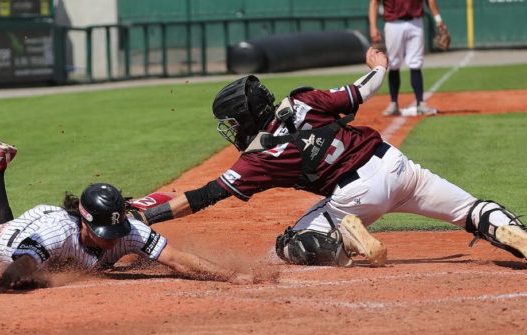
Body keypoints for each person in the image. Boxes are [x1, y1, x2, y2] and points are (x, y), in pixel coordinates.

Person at [129, 47, 527, 267]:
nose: (231, 130)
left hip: (356, 197)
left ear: (246, 118)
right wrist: (380, 64)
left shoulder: (257, 158)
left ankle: (347, 240)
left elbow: (204, 196)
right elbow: (362, 91)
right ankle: (511, 231)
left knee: (290, 244)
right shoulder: (302, 100)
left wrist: (148, 217)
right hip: (399, 166)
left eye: (232, 122)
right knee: (472, 209)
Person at [0, 141, 252, 289]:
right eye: (106, 234)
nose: (113, 239)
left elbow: (176, 259)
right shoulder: (56, 233)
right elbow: (18, 267)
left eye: (117, 230)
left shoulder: (127, 230)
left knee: (130, 241)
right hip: (14, 240)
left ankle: (137, 207)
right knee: (2, 234)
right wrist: (17, 277)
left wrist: (229, 275)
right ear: (86, 223)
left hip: (61, 224)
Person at [368, 0, 448, 116]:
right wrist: (373, 27)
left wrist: (438, 20)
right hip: (393, 23)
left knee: (416, 63)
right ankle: (393, 103)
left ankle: (420, 104)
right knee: (394, 64)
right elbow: (374, 2)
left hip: (415, 22)